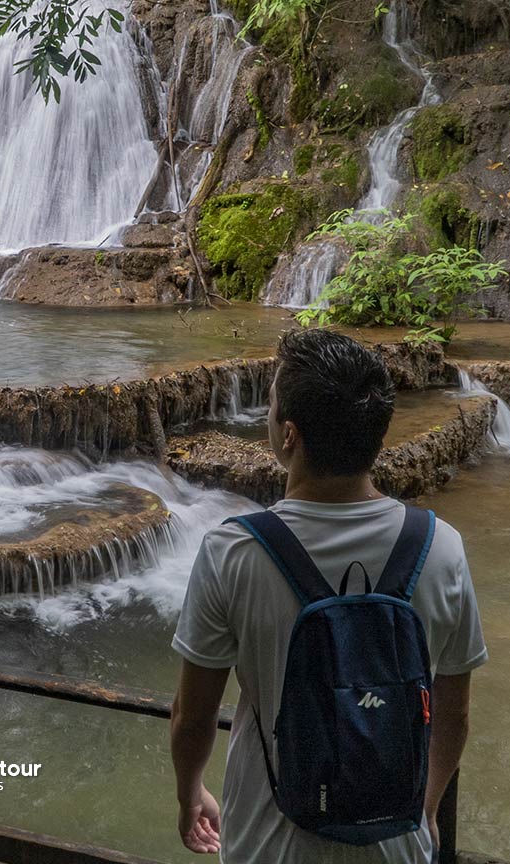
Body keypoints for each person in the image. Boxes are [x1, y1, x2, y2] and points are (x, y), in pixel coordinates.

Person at [169, 329, 487, 862]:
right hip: (396, 848)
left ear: (288, 435)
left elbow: (192, 717)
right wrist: (424, 810)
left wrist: (189, 796)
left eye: (269, 406)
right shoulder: (442, 548)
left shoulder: (234, 551)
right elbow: (452, 717)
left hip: (267, 847)